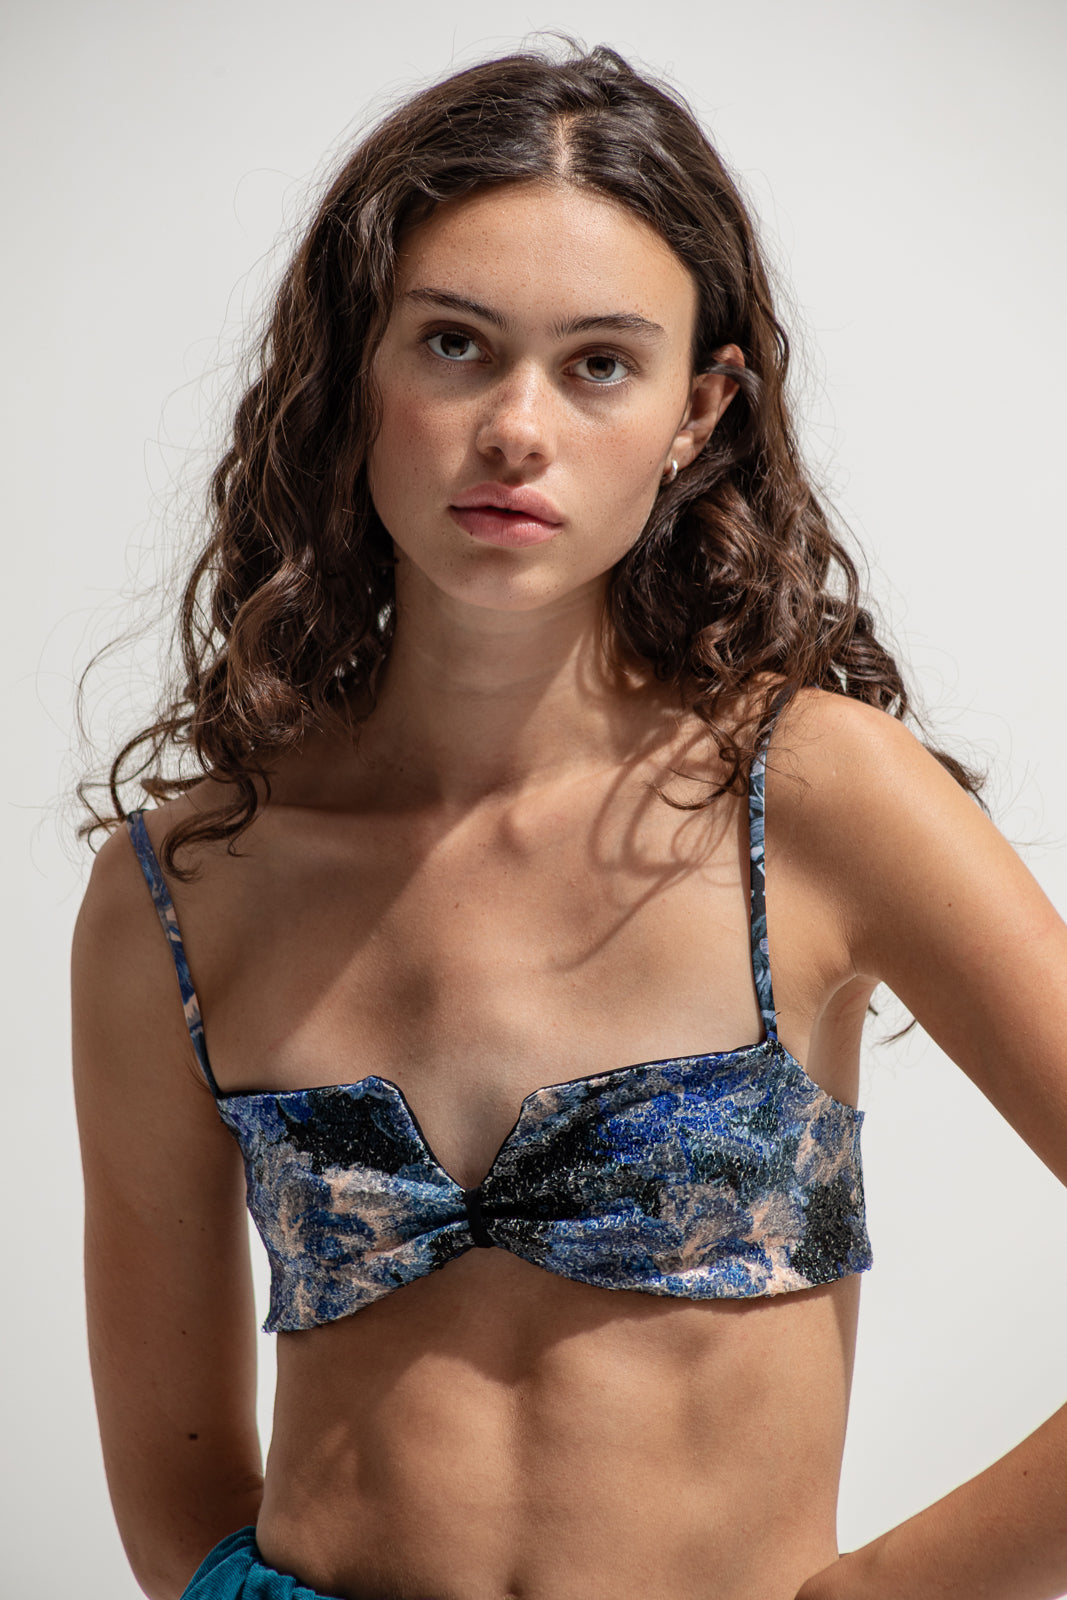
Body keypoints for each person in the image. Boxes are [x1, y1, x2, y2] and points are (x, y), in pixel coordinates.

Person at [72, 42, 1067, 1600]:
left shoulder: (815, 798)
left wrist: (877, 1598)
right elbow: (174, 1489)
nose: (516, 428)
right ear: (354, 372)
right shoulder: (183, 889)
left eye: (599, 363)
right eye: (454, 345)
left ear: (698, 410)